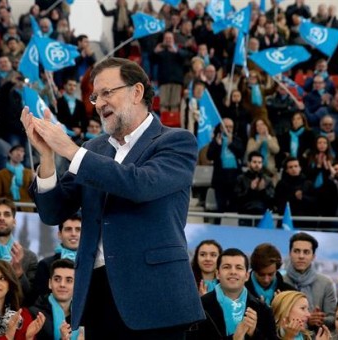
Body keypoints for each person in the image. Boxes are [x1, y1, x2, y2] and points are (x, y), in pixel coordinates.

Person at [24, 57, 204, 337]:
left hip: (155, 297)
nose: (99, 103)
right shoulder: (93, 148)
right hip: (97, 295)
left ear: (137, 92)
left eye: (107, 92)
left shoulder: (176, 141)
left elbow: (139, 185)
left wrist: (71, 151)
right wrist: (47, 158)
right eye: (95, 96)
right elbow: (53, 212)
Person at [191, 248, 278, 339]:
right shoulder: (199, 307)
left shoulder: (263, 310)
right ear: (217, 274)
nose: (233, 272)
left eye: (239, 268)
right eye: (227, 267)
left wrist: (253, 333)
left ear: (247, 275)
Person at [283, 232, 337, 330]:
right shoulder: (280, 282)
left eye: (306, 252)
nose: (301, 256)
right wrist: (306, 319)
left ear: (313, 256)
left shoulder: (325, 283)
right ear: (290, 253)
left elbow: (334, 319)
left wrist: (318, 320)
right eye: (296, 251)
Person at [33, 215, 82, 301]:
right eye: (68, 229)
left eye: (78, 229)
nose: (73, 234)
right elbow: (40, 299)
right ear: (60, 234)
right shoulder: (45, 265)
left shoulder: (95, 264)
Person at [30, 259, 82, 340]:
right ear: (50, 283)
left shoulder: (84, 316)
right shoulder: (34, 315)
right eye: (57, 279)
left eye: (69, 280)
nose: (62, 285)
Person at [235, 151, 275, 226]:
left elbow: (272, 200)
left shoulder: (267, 180)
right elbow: (236, 199)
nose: (257, 165)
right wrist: (250, 190)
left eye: (259, 162)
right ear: (249, 163)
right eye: (254, 162)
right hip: (245, 215)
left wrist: (262, 190)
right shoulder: (240, 179)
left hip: (263, 216)